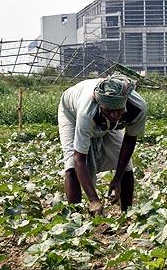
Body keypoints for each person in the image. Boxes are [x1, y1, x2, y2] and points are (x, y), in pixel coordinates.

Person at [57, 74, 147, 215]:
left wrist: (117, 179)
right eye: (108, 111)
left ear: (124, 103)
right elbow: (79, 158)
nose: (113, 115)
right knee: (71, 166)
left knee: (127, 166)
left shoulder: (137, 108)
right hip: (72, 113)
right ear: (99, 104)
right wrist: (94, 200)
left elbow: (129, 141)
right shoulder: (87, 112)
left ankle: (126, 214)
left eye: (118, 111)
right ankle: (74, 218)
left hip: (107, 123)